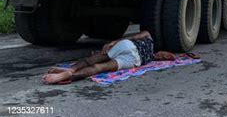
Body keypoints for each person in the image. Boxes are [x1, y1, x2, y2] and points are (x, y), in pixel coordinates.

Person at [42, 30, 175, 85]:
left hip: (132, 55)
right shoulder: (149, 39)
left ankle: (70, 72)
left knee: (98, 62)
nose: (162, 56)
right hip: (132, 54)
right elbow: (136, 36)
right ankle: (69, 74)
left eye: (164, 57)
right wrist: (114, 42)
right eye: (164, 54)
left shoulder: (150, 53)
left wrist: (115, 42)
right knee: (98, 66)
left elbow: (134, 37)